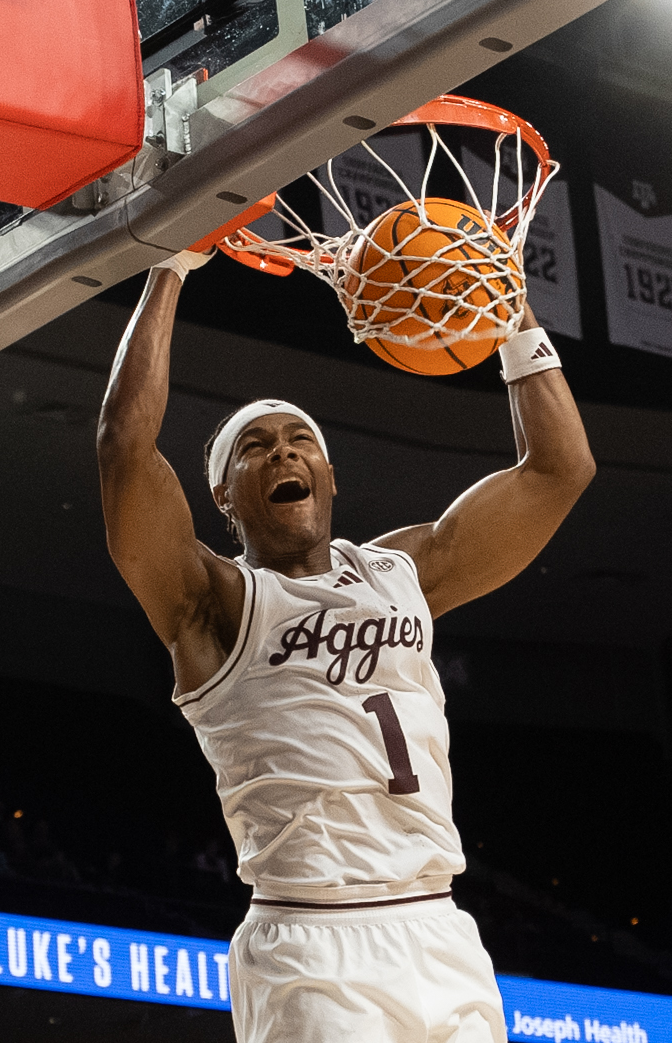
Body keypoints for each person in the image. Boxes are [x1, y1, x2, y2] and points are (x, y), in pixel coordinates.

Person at [96, 247, 594, 1043]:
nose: (283, 450)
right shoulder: (212, 604)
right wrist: (171, 264)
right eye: (255, 446)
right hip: (312, 940)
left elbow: (559, 470)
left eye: (300, 440)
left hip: (438, 929)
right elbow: (125, 448)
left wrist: (510, 311)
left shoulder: (403, 571)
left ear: (331, 477)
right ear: (224, 495)